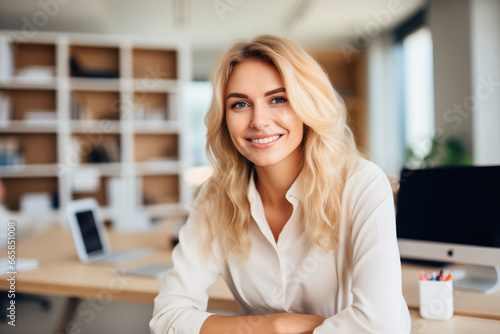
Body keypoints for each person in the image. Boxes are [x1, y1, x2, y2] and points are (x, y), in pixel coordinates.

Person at [150, 35, 411, 334]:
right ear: (225, 118)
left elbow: (384, 326)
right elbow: (167, 317)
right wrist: (274, 325)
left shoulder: (361, 184)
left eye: (278, 99)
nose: (259, 120)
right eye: (240, 104)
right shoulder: (215, 197)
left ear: (306, 105)